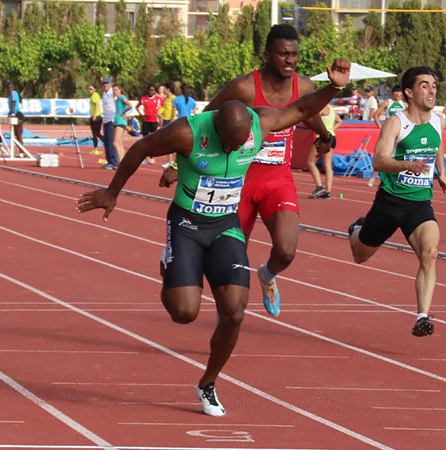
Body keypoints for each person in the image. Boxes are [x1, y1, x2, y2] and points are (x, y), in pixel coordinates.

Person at [77, 59, 350, 416]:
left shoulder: (261, 123)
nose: (236, 151)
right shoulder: (188, 132)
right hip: (187, 224)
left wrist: (335, 88)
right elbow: (142, 148)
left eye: (242, 146)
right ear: (217, 130)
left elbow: (301, 109)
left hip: (225, 225)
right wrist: (113, 192)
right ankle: (171, 261)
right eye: (229, 145)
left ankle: (208, 383)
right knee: (184, 313)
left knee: (234, 312)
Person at [160, 24, 336, 317]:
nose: (290, 60)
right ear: (267, 55)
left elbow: (307, 112)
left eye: (294, 54)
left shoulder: (303, 86)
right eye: (283, 54)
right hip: (238, 177)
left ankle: (267, 274)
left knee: (286, 250)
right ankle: (218, 306)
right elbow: (203, 122)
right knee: (227, 255)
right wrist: (180, 165)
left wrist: (325, 136)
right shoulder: (243, 88)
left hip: (277, 177)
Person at [347, 66, 446, 338]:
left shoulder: (438, 121)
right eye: (425, 85)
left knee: (430, 254)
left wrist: (441, 174)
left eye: (433, 85)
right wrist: (408, 163)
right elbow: (378, 160)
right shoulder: (397, 123)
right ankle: (357, 230)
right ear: (409, 92)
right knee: (360, 256)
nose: (432, 90)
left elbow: (438, 146)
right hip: (390, 202)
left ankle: (422, 316)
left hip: (420, 204)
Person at [369, 85, 408, 185]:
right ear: (393, 93)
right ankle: (373, 177)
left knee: (399, 155)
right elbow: (376, 114)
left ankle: (399, 179)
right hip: (389, 133)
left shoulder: (404, 104)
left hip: (401, 133)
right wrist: (380, 127)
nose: (397, 94)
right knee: (382, 154)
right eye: (396, 92)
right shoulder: (388, 102)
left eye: (399, 92)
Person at [307, 103, 341, 199]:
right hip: (332, 137)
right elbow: (339, 121)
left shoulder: (321, 107)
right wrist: (330, 129)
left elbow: (314, 120)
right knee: (327, 165)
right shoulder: (331, 108)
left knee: (310, 162)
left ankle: (319, 187)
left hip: (323, 138)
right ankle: (328, 191)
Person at [100, 77, 119, 169]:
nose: (105, 85)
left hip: (112, 119)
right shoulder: (104, 93)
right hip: (105, 119)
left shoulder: (112, 93)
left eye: (107, 83)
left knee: (111, 141)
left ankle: (114, 162)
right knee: (106, 141)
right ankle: (109, 161)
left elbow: (120, 99)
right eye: (104, 84)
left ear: (110, 84)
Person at [112, 84, 132, 162]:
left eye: (116, 90)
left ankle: (121, 160)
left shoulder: (122, 98)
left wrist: (124, 113)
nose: (115, 92)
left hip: (121, 122)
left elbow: (130, 105)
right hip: (116, 121)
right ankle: (123, 159)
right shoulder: (117, 100)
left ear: (120, 90)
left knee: (115, 143)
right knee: (119, 142)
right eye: (114, 90)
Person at [7, 81, 26, 150]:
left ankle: (22, 151)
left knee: (18, 135)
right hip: (14, 114)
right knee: (15, 135)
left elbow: (14, 103)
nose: (9, 89)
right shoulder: (9, 94)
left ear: (13, 87)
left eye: (10, 87)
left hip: (17, 115)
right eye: (8, 88)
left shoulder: (13, 93)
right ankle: (20, 151)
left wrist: (12, 113)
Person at [87, 84, 104, 153]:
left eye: (91, 88)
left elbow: (97, 104)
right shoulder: (94, 95)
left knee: (95, 134)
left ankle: (96, 148)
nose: (89, 90)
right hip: (97, 116)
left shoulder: (94, 95)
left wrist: (94, 115)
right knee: (97, 133)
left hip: (96, 116)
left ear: (94, 89)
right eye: (88, 88)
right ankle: (98, 147)